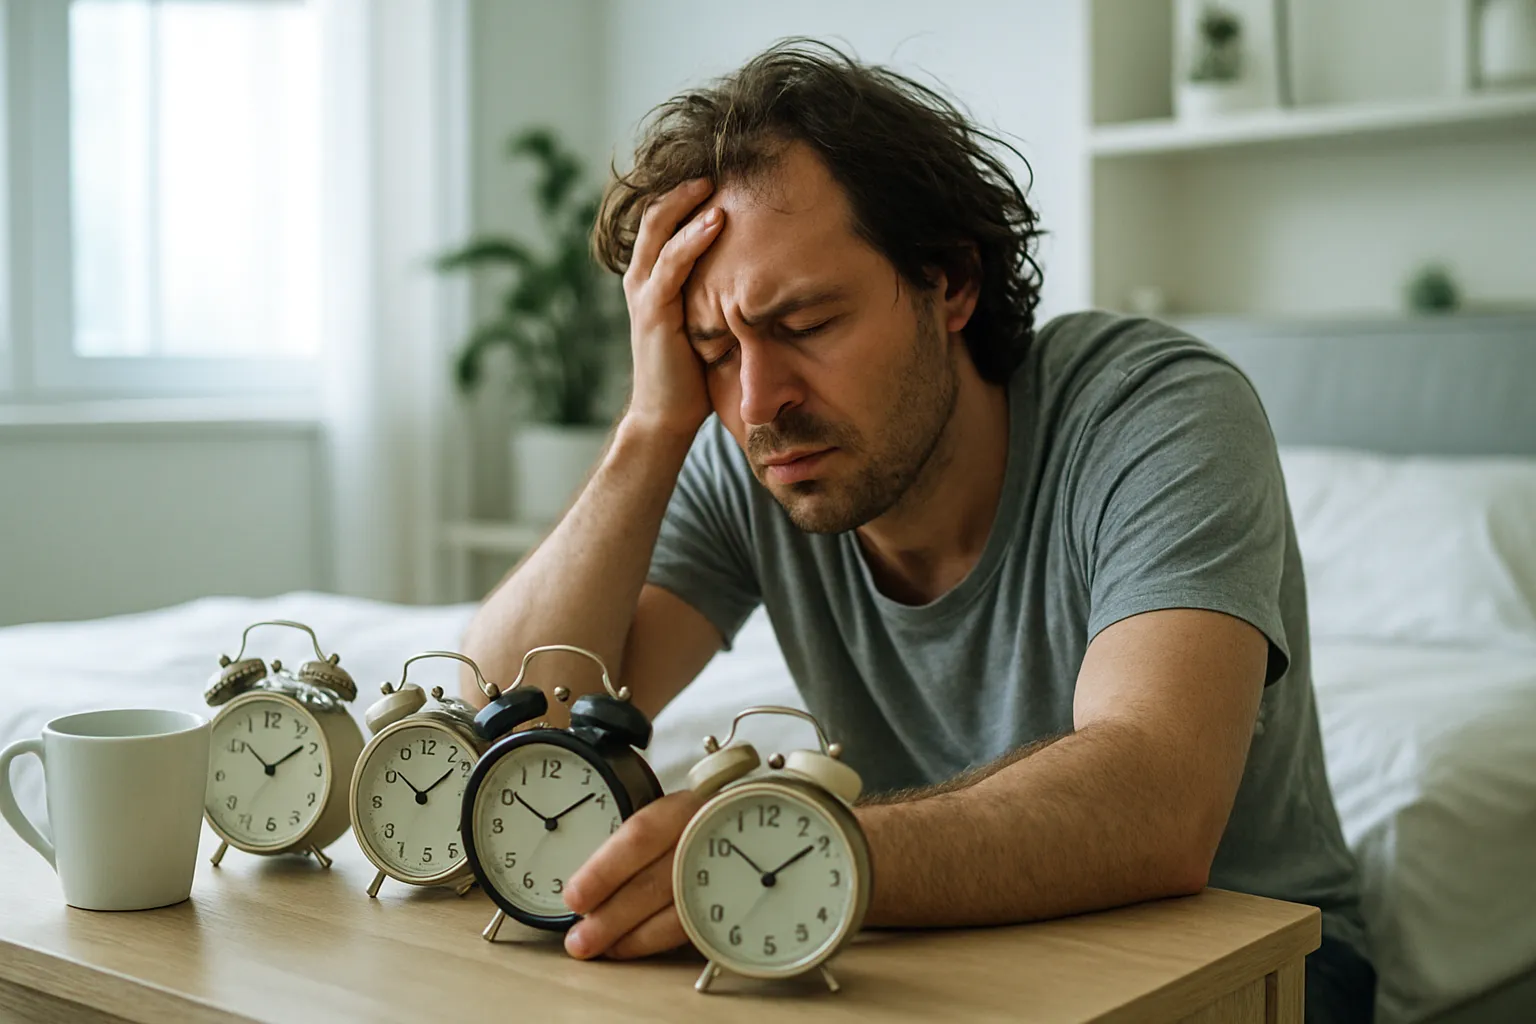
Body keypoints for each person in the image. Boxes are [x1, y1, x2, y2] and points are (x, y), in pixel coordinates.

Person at [460, 39, 1374, 1023]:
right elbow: (507, 714)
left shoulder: (1154, 410)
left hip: (1251, 960)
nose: (762, 400)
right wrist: (652, 427)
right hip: (916, 948)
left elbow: (1157, 801)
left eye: (805, 322)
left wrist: (789, 846)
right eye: (717, 348)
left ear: (950, 283)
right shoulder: (748, 454)